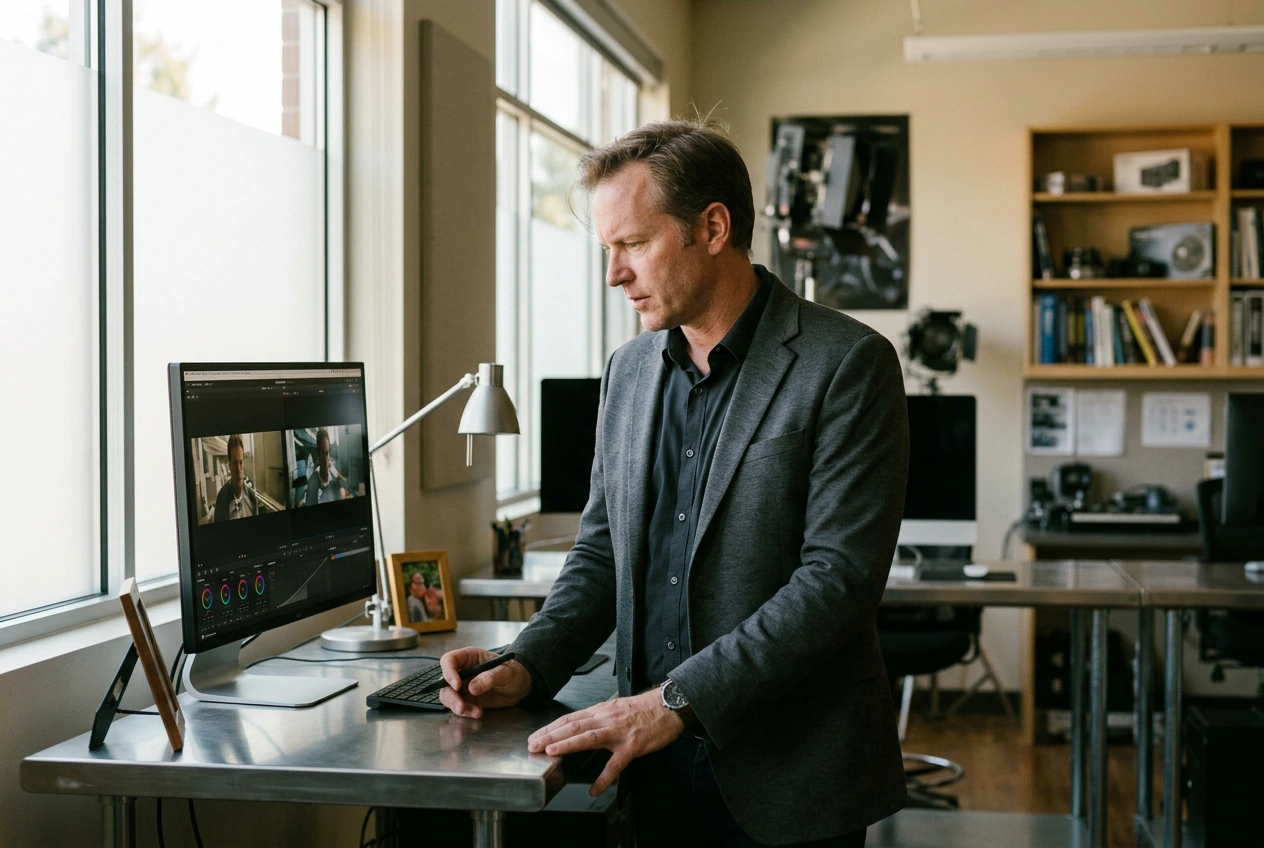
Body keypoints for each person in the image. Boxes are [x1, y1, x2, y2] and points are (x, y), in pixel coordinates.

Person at [438, 116, 910, 847]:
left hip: (786, 775)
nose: (612, 274)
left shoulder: (847, 363)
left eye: (631, 244)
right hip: (646, 767)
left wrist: (677, 702)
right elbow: (601, 553)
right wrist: (530, 661)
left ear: (713, 227)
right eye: (606, 249)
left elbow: (837, 581)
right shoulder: (627, 373)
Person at [214, 434, 257, 522]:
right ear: (229, 465)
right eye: (235, 463)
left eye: (241, 463)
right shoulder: (222, 499)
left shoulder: (251, 497)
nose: (238, 468)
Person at [304, 428, 349, 505]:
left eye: (327, 453)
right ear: (318, 454)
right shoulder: (313, 482)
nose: (325, 458)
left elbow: (339, 476)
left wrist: (348, 486)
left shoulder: (330, 466)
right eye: (322, 454)